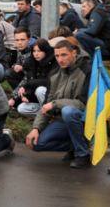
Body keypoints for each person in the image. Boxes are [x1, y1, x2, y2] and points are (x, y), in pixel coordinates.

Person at [23, 37, 91, 166]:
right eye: (57, 56)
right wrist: (36, 128)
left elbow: (83, 103)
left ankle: (83, 154)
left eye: (64, 55)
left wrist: (55, 104)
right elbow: (46, 104)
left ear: (74, 53)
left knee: (68, 111)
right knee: (36, 144)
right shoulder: (54, 73)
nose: (60, 59)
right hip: (62, 119)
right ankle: (75, 145)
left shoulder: (87, 70)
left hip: (84, 117)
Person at [9, 37, 57, 116]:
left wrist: (27, 86)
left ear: (46, 51)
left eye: (39, 51)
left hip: (52, 96)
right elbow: (29, 81)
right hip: (39, 100)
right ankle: (45, 114)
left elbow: (48, 81)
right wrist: (26, 95)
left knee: (40, 90)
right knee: (21, 108)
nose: (36, 54)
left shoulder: (53, 62)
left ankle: (51, 113)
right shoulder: (31, 63)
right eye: (34, 51)